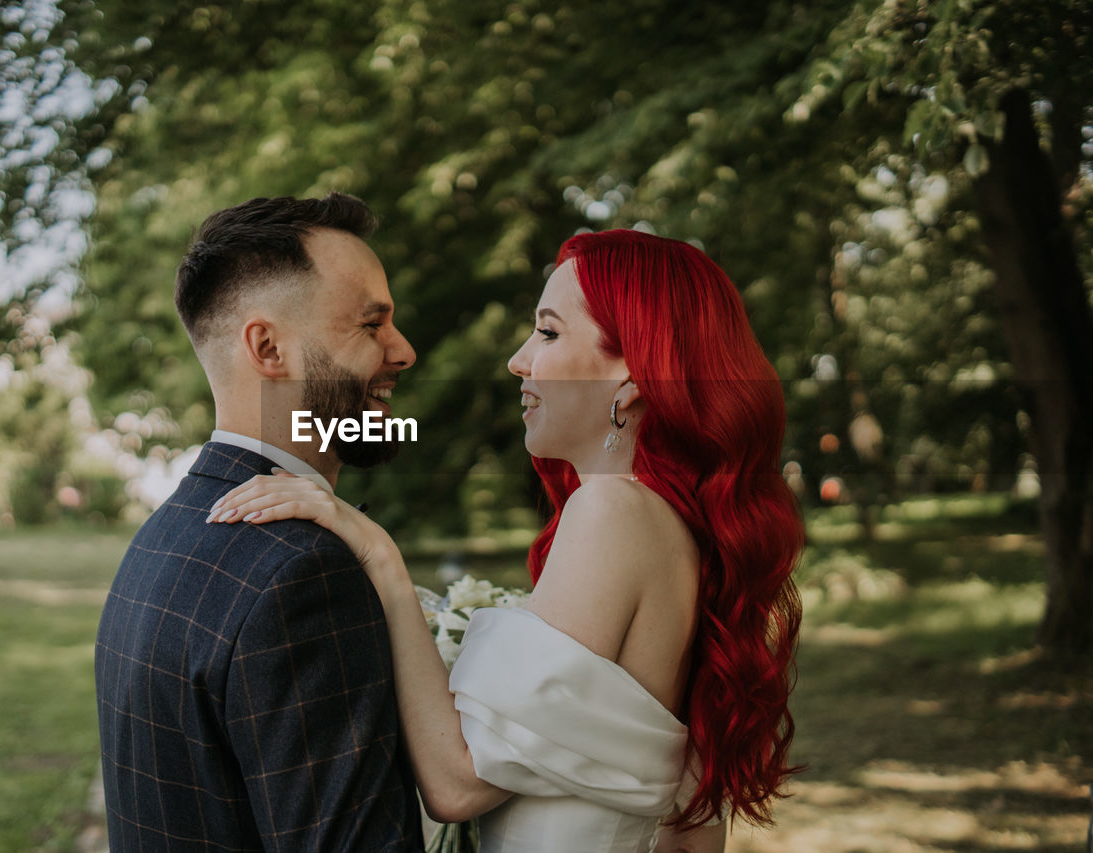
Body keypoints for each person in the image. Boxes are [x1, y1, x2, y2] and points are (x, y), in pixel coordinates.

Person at [210, 229, 804, 852]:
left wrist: (377, 553)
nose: (518, 359)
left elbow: (459, 784)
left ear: (628, 377)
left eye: (547, 332)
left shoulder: (610, 512)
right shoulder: (667, 524)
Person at [94, 193, 426, 851]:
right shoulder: (305, 573)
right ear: (269, 346)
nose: (404, 350)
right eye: (371, 325)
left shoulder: (162, 538)